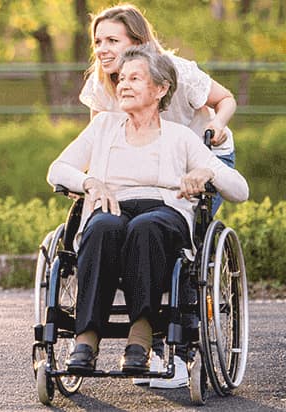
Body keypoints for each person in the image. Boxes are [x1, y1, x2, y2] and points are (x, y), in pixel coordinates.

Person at [47, 45, 248, 377]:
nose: (124, 85)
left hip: (164, 212)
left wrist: (208, 173)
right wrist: (89, 182)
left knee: (146, 227)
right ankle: (86, 338)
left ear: (160, 89)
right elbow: (57, 169)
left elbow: (240, 190)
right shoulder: (103, 127)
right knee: (102, 227)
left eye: (135, 79)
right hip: (112, 207)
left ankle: (140, 336)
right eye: (122, 79)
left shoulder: (181, 137)